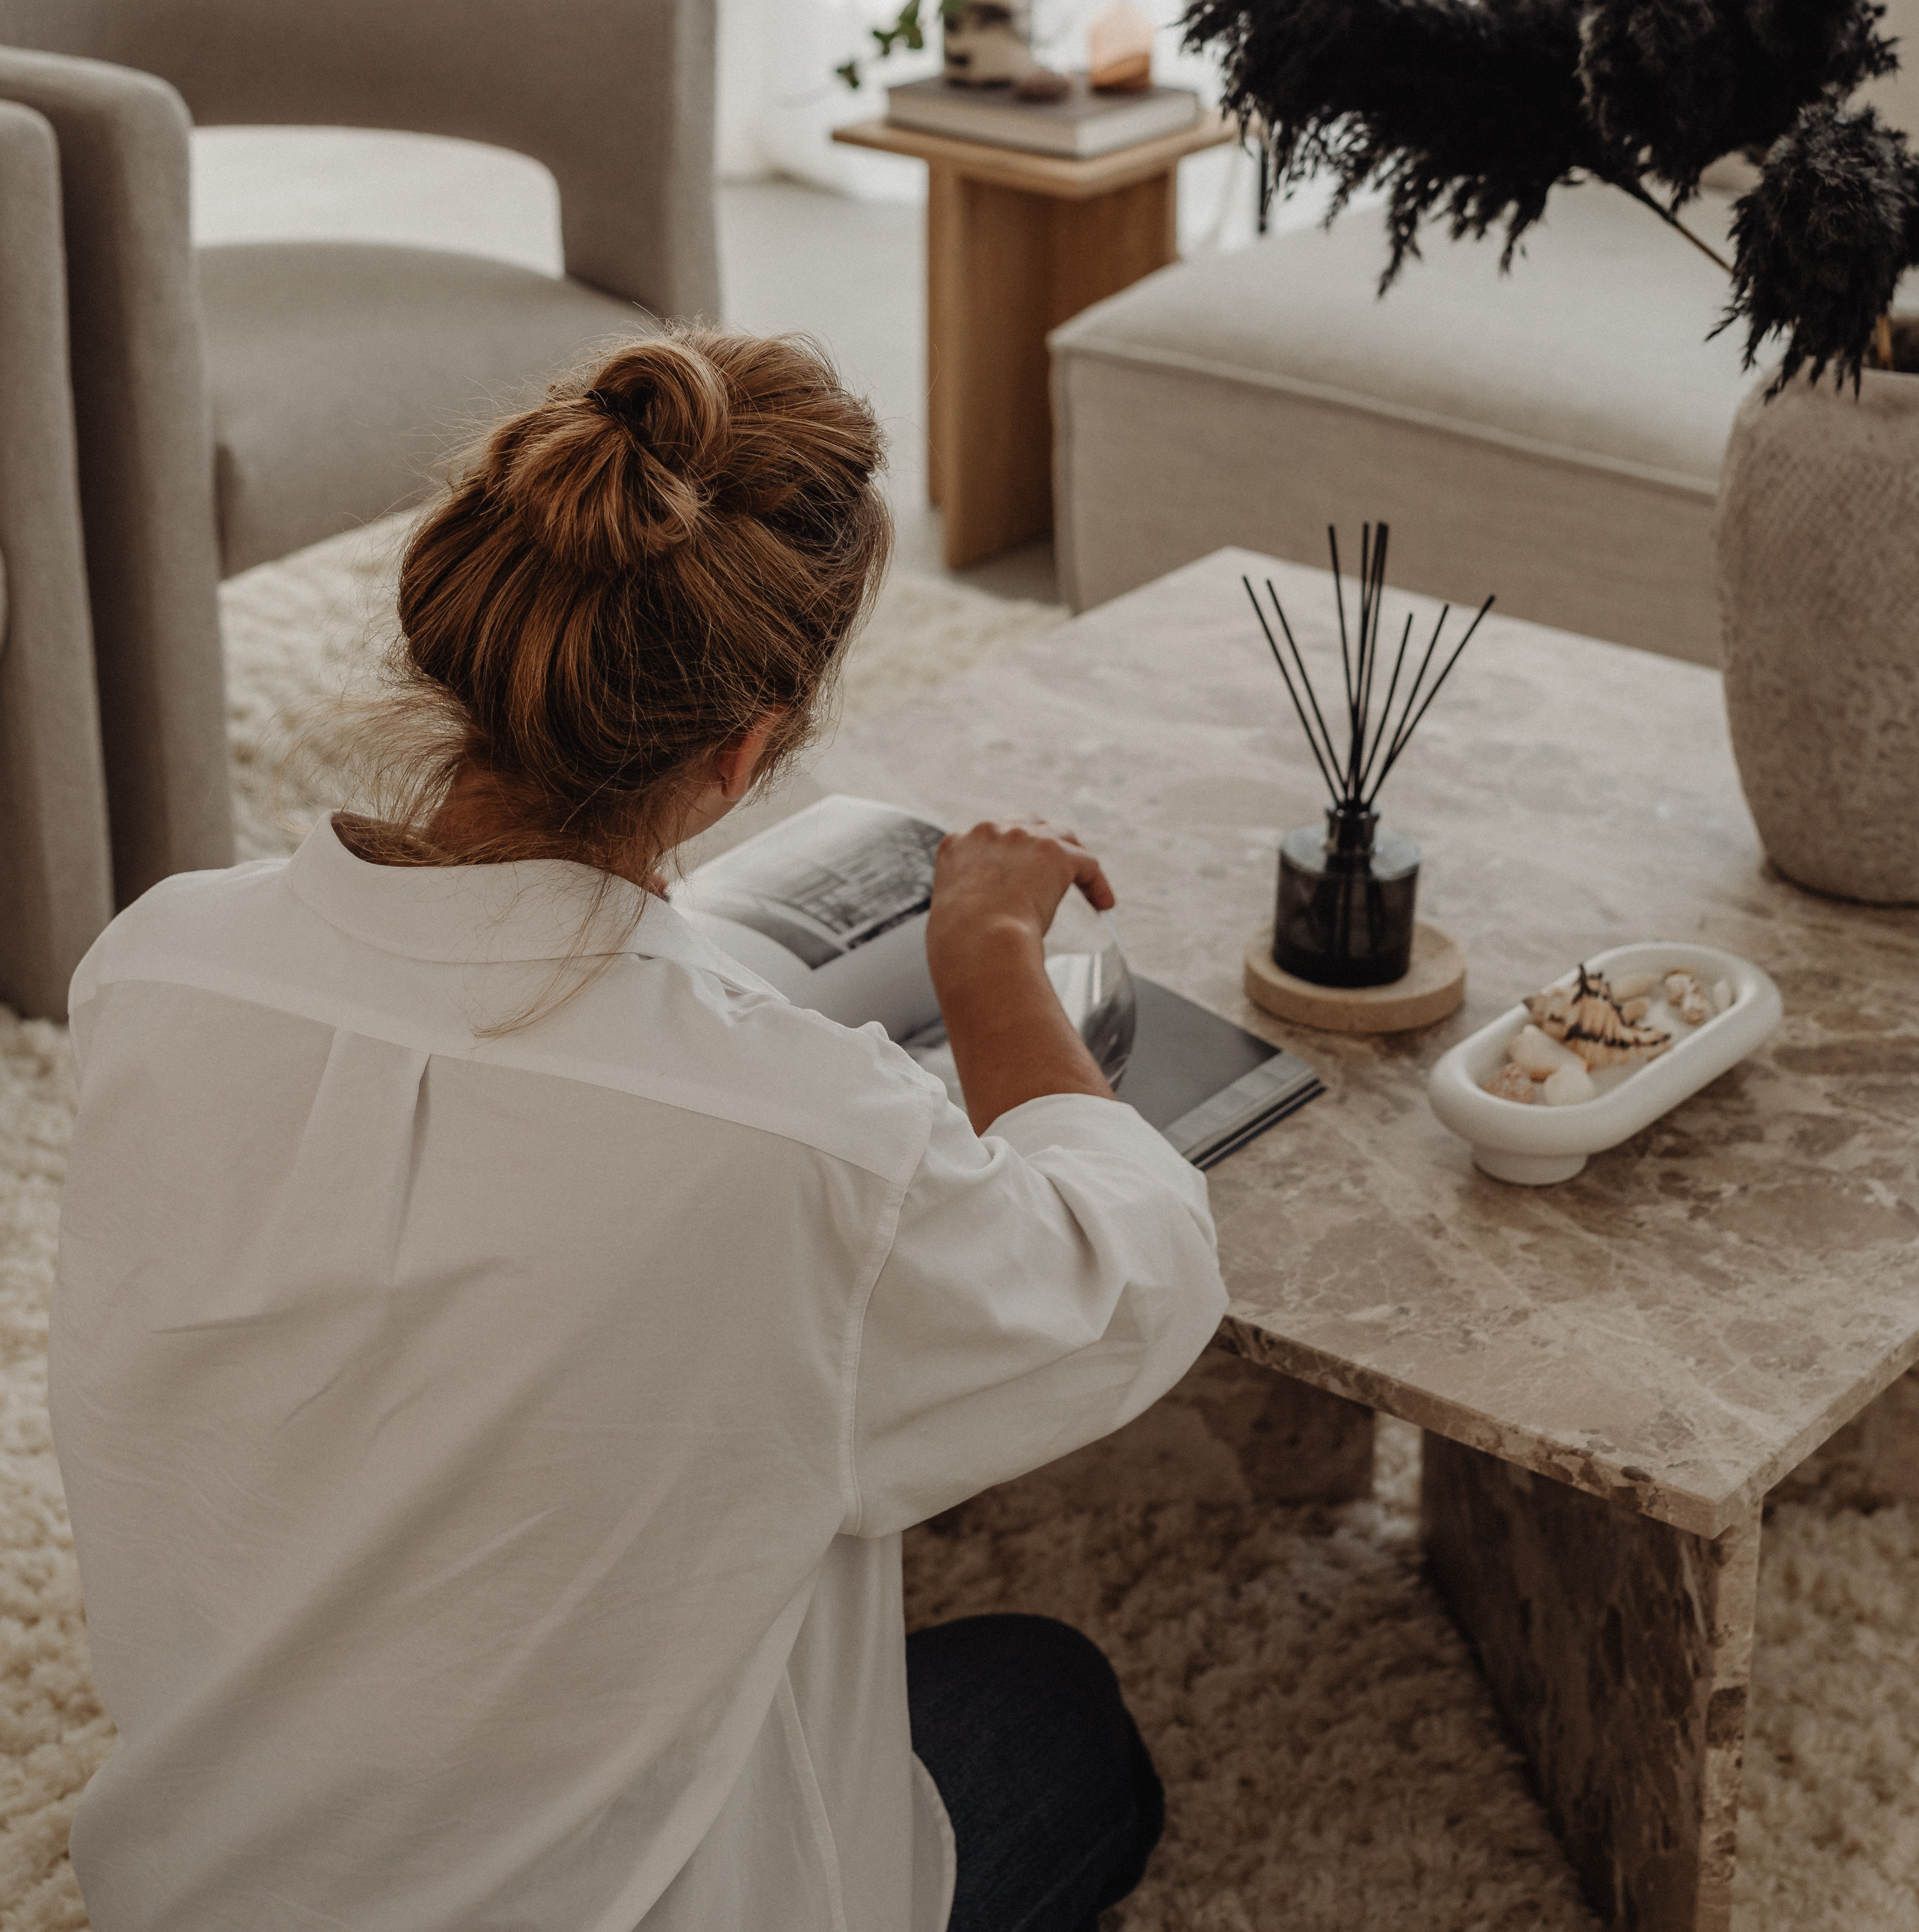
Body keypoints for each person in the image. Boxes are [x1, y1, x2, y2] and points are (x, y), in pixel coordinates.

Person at [50, 327, 1226, 1932]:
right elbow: (1136, 1275)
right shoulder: (806, 1152)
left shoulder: (153, 961)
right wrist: (990, 957)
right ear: (746, 749)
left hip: (200, 1893)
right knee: (1057, 1710)